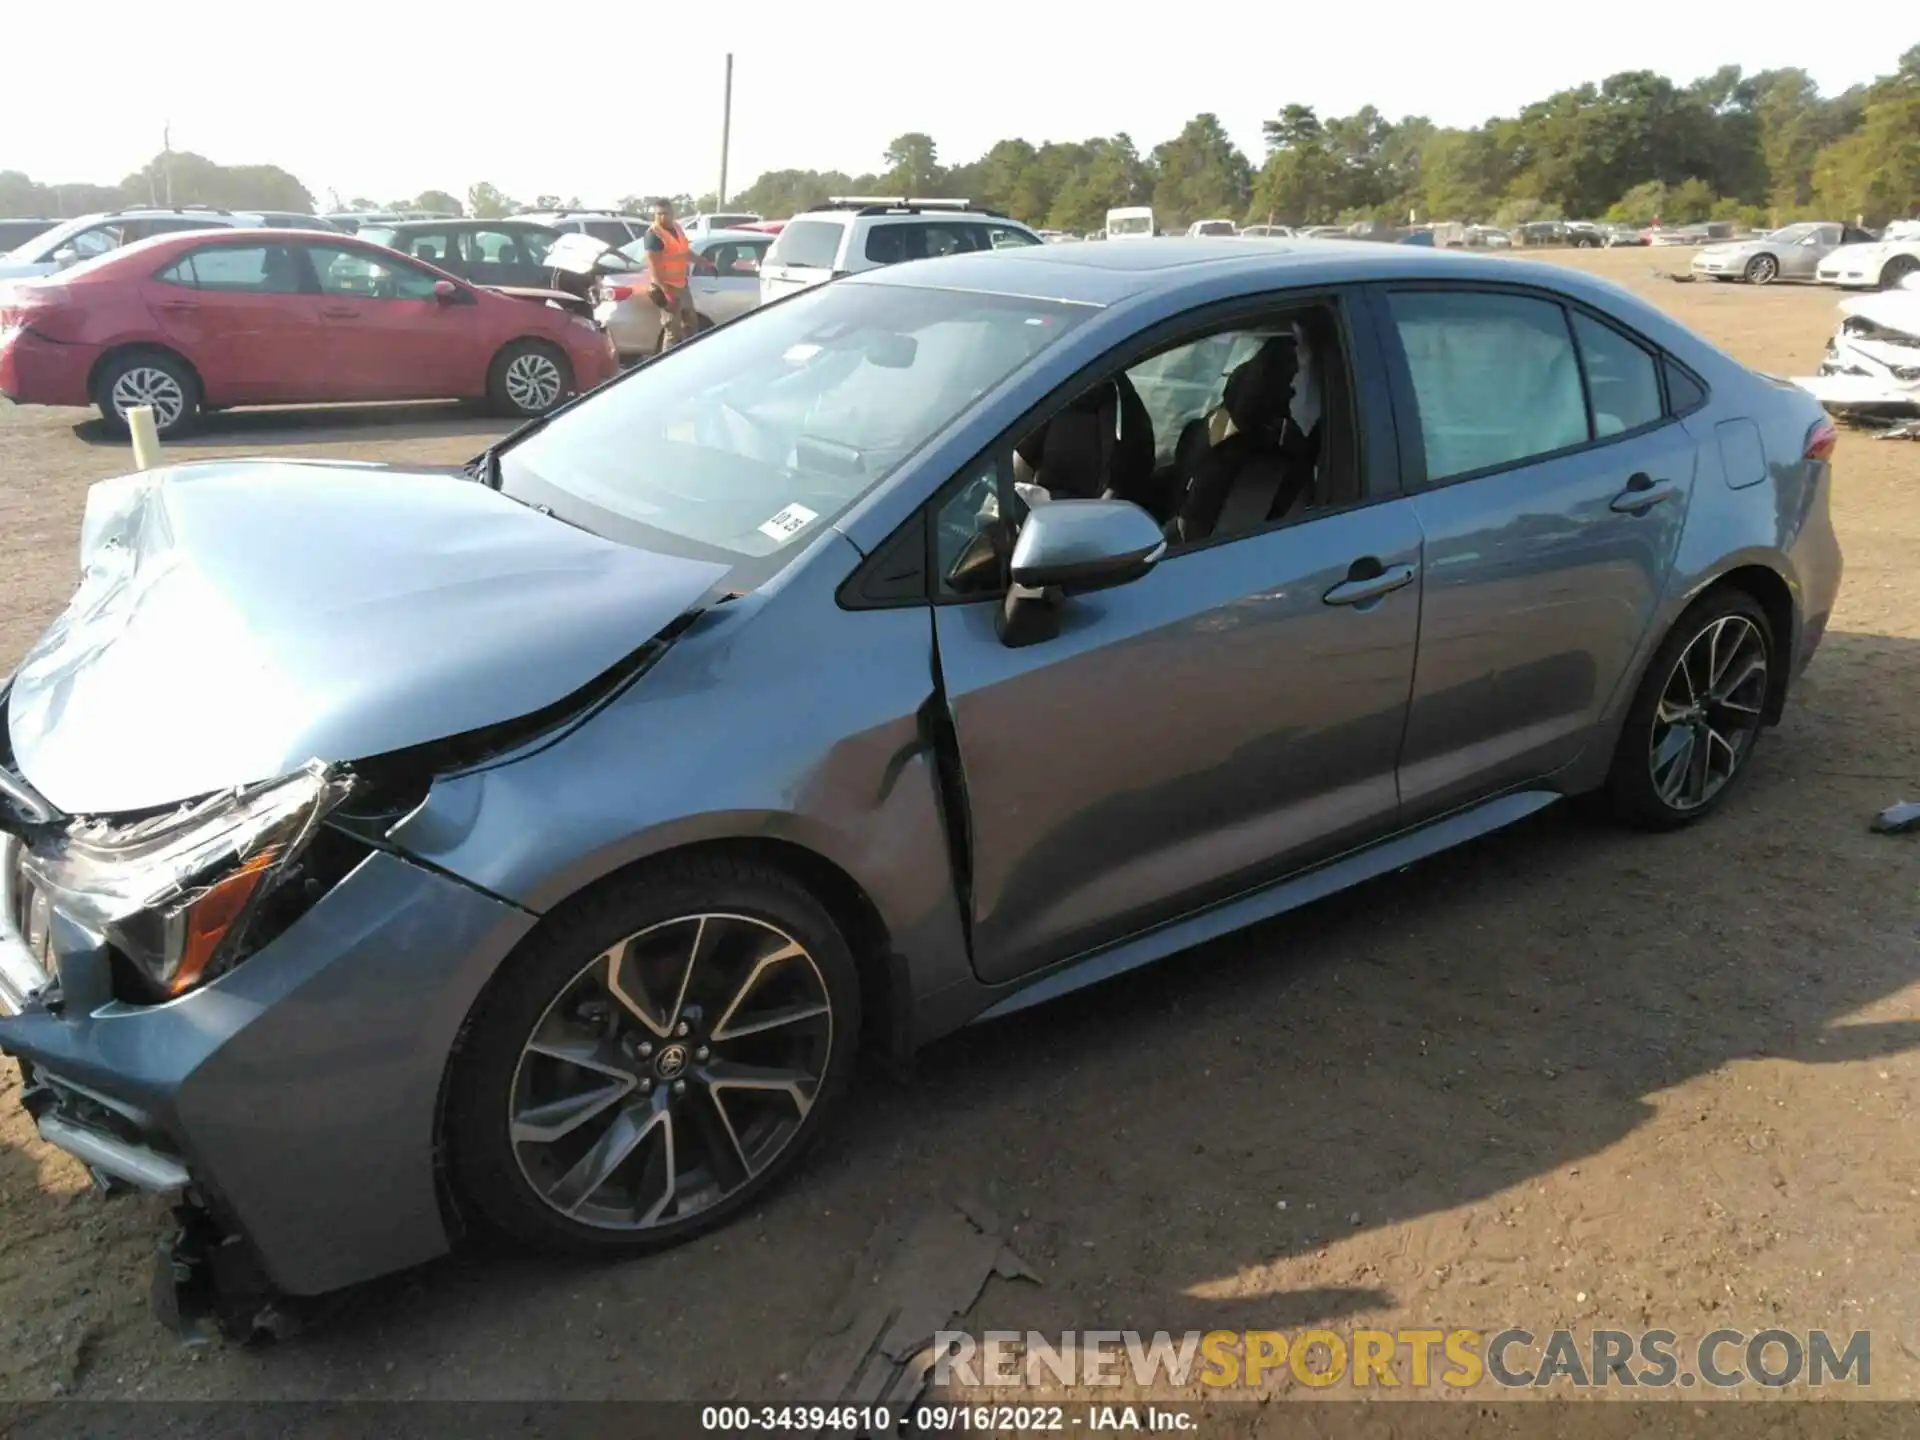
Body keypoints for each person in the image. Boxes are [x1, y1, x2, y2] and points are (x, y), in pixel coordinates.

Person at [642, 199, 700, 351]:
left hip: (681, 284)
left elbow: (685, 251)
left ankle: (690, 357)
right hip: (666, 287)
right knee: (672, 331)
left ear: (672, 214)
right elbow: (654, 269)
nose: (662, 218)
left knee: (691, 324)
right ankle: (666, 363)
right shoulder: (653, 235)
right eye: (658, 214)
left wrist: (704, 261)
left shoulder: (677, 228)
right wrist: (666, 293)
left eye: (665, 213)